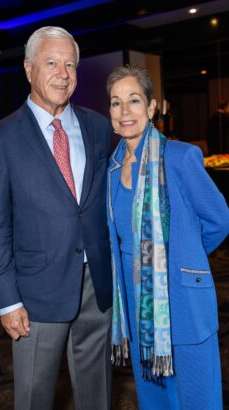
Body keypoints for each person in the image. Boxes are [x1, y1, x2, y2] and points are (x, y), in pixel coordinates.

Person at [0, 26, 113, 410]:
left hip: (96, 286)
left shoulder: (98, 127)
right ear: (28, 69)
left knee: (97, 393)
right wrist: (7, 301)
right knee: (35, 396)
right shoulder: (2, 137)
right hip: (35, 294)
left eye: (70, 65)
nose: (64, 74)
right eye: (52, 63)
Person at [106, 64, 229, 410]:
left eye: (134, 100)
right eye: (116, 103)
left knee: (197, 399)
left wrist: (181, 258)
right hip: (139, 306)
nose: (125, 111)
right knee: (156, 401)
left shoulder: (180, 157)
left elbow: (219, 220)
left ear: (152, 105)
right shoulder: (111, 172)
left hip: (184, 299)